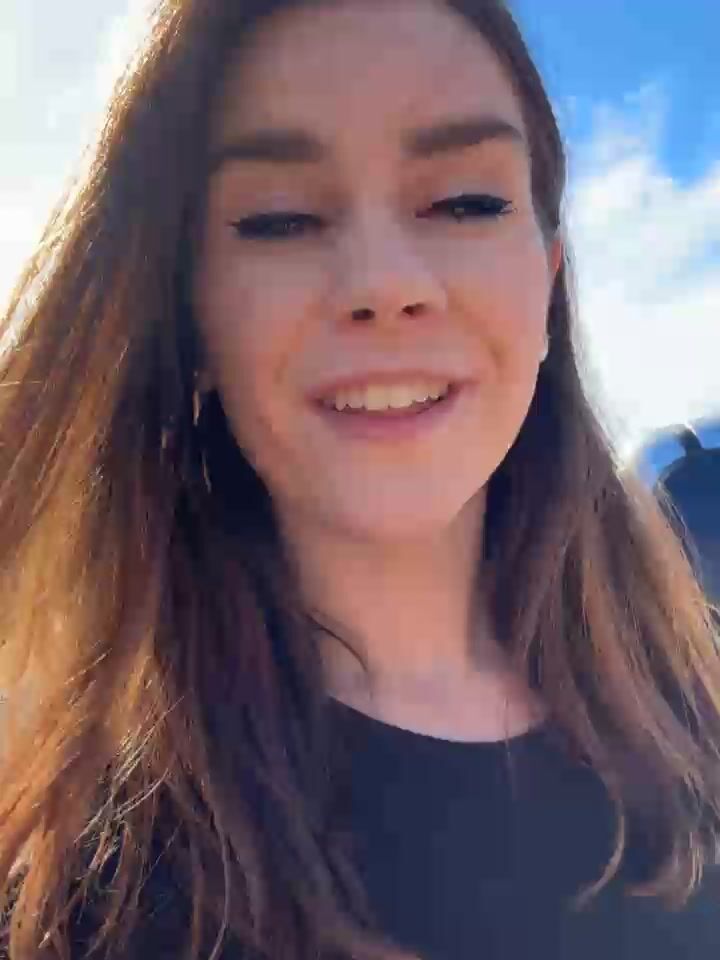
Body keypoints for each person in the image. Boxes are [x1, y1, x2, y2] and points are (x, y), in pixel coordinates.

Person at [0, 1, 718, 957]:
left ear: (548, 283)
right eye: (280, 220)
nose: (385, 283)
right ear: (191, 316)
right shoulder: (94, 889)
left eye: (465, 202)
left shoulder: (691, 713)